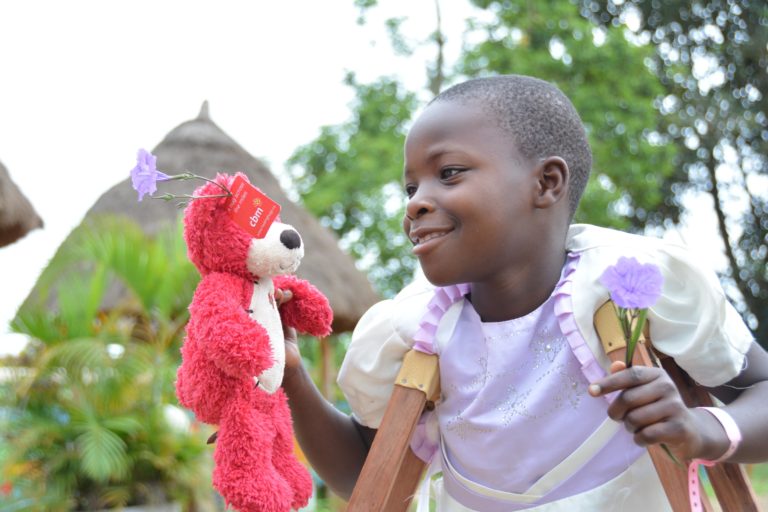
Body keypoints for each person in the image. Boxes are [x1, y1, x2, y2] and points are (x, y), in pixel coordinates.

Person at [280, 75, 768, 510]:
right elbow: (370, 475)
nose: (417, 203)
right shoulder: (413, 331)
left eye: (448, 172)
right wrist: (294, 378)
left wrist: (702, 428)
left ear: (546, 183)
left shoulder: (627, 284)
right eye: (410, 188)